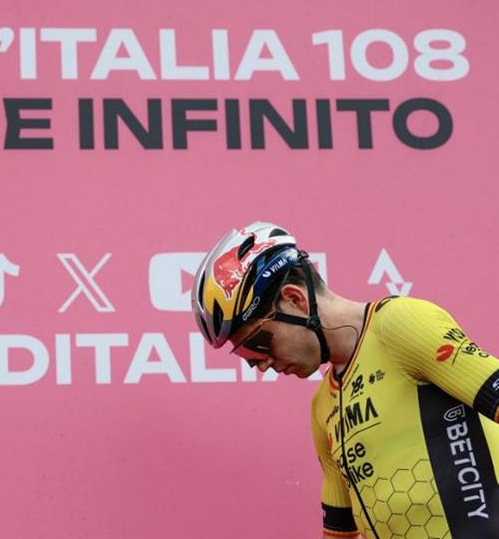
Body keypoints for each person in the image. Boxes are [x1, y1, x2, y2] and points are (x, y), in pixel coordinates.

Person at [191, 221, 499, 539]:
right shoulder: (322, 406)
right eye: (247, 357)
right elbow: (339, 531)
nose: (261, 364)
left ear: (295, 299)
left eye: (258, 343)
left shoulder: (398, 325)